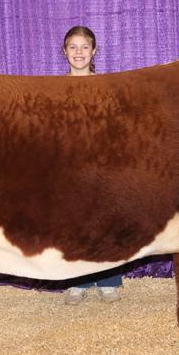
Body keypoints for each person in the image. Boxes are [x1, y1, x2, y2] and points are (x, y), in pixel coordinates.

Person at [59, 25, 124, 305]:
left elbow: (115, 125)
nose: (79, 52)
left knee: (106, 219)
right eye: (73, 47)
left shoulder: (106, 85)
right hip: (70, 165)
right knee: (73, 222)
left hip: (101, 162)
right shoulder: (54, 88)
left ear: (94, 51)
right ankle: (77, 281)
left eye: (85, 47)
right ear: (64, 51)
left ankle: (109, 280)